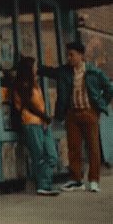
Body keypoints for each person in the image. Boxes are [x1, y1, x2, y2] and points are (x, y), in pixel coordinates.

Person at [39, 42, 113, 193]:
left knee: (93, 148)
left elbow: (109, 88)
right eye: (68, 54)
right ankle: (76, 179)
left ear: (81, 55)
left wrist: (99, 106)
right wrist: (35, 67)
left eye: (72, 54)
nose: (69, 58)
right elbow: (51, 72)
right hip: (72, 114)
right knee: (73, 148)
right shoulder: (65, 71)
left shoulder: (93, 72)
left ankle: (93, 180)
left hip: (89, 113)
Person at [12, 56, 59, 196]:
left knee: (52, 155)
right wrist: (44, 117)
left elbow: (40, 104)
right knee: (39, 155)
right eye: (34, 67)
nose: (36, 69)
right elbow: (28, 105)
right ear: (28, 69)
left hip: (42, 123)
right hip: (31, 123)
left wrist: (45, 119)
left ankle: (45, 184)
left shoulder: (35, 84)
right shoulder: (21, 85)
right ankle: (44, 185)